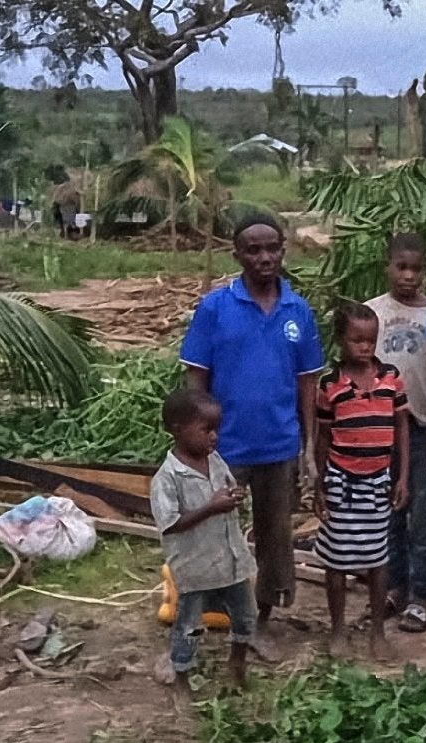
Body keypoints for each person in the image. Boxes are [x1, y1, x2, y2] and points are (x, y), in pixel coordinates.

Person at [180, 213, 324, 645]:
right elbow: (196, 377)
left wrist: (310, 447)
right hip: (224, 446)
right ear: (238, 254)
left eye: (272, 248)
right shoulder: (215, 308)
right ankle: (200, 617)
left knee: (275, 536)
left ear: (283, 249)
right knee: (210, 533)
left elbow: (308, 385)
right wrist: (197, 439)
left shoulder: (297, 310)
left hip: (279, 444)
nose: (264, 257)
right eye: (253, 249)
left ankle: (259, 621)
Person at [314, 303, 409, 660]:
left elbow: (401, 427)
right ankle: (338, 629)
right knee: (336, 558)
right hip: (341, 479)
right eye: (357, 340)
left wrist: (403, 477)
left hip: (378, 482)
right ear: (341, 340)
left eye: (371, 340)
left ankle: (377, 632)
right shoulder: (330, 384)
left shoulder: (390, 378)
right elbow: (323, 436)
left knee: (377, 557)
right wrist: (319, 482)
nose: (365, 347)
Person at [365, 233, 426, 633]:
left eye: (417, 268)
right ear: (388, 266)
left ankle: (420, 596)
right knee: (388, 514)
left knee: (424, 516)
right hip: (378, 427)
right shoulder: (371, 314)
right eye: (402, 266)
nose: (409, 275)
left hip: (423, 425)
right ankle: (393, 588)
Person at [150, 388, 256, 689]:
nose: (214, 437)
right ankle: (181, 677)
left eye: (216, 430)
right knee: (190, 627)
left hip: (231, 559)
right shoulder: (167, 478)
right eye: (206, 429)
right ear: (178, 430)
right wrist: (211, 507)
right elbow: (170, 524)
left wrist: (235, 497)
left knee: (246, 615)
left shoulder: (216, 461)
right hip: (195, 568)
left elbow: (227, 488)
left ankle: (237, 662)